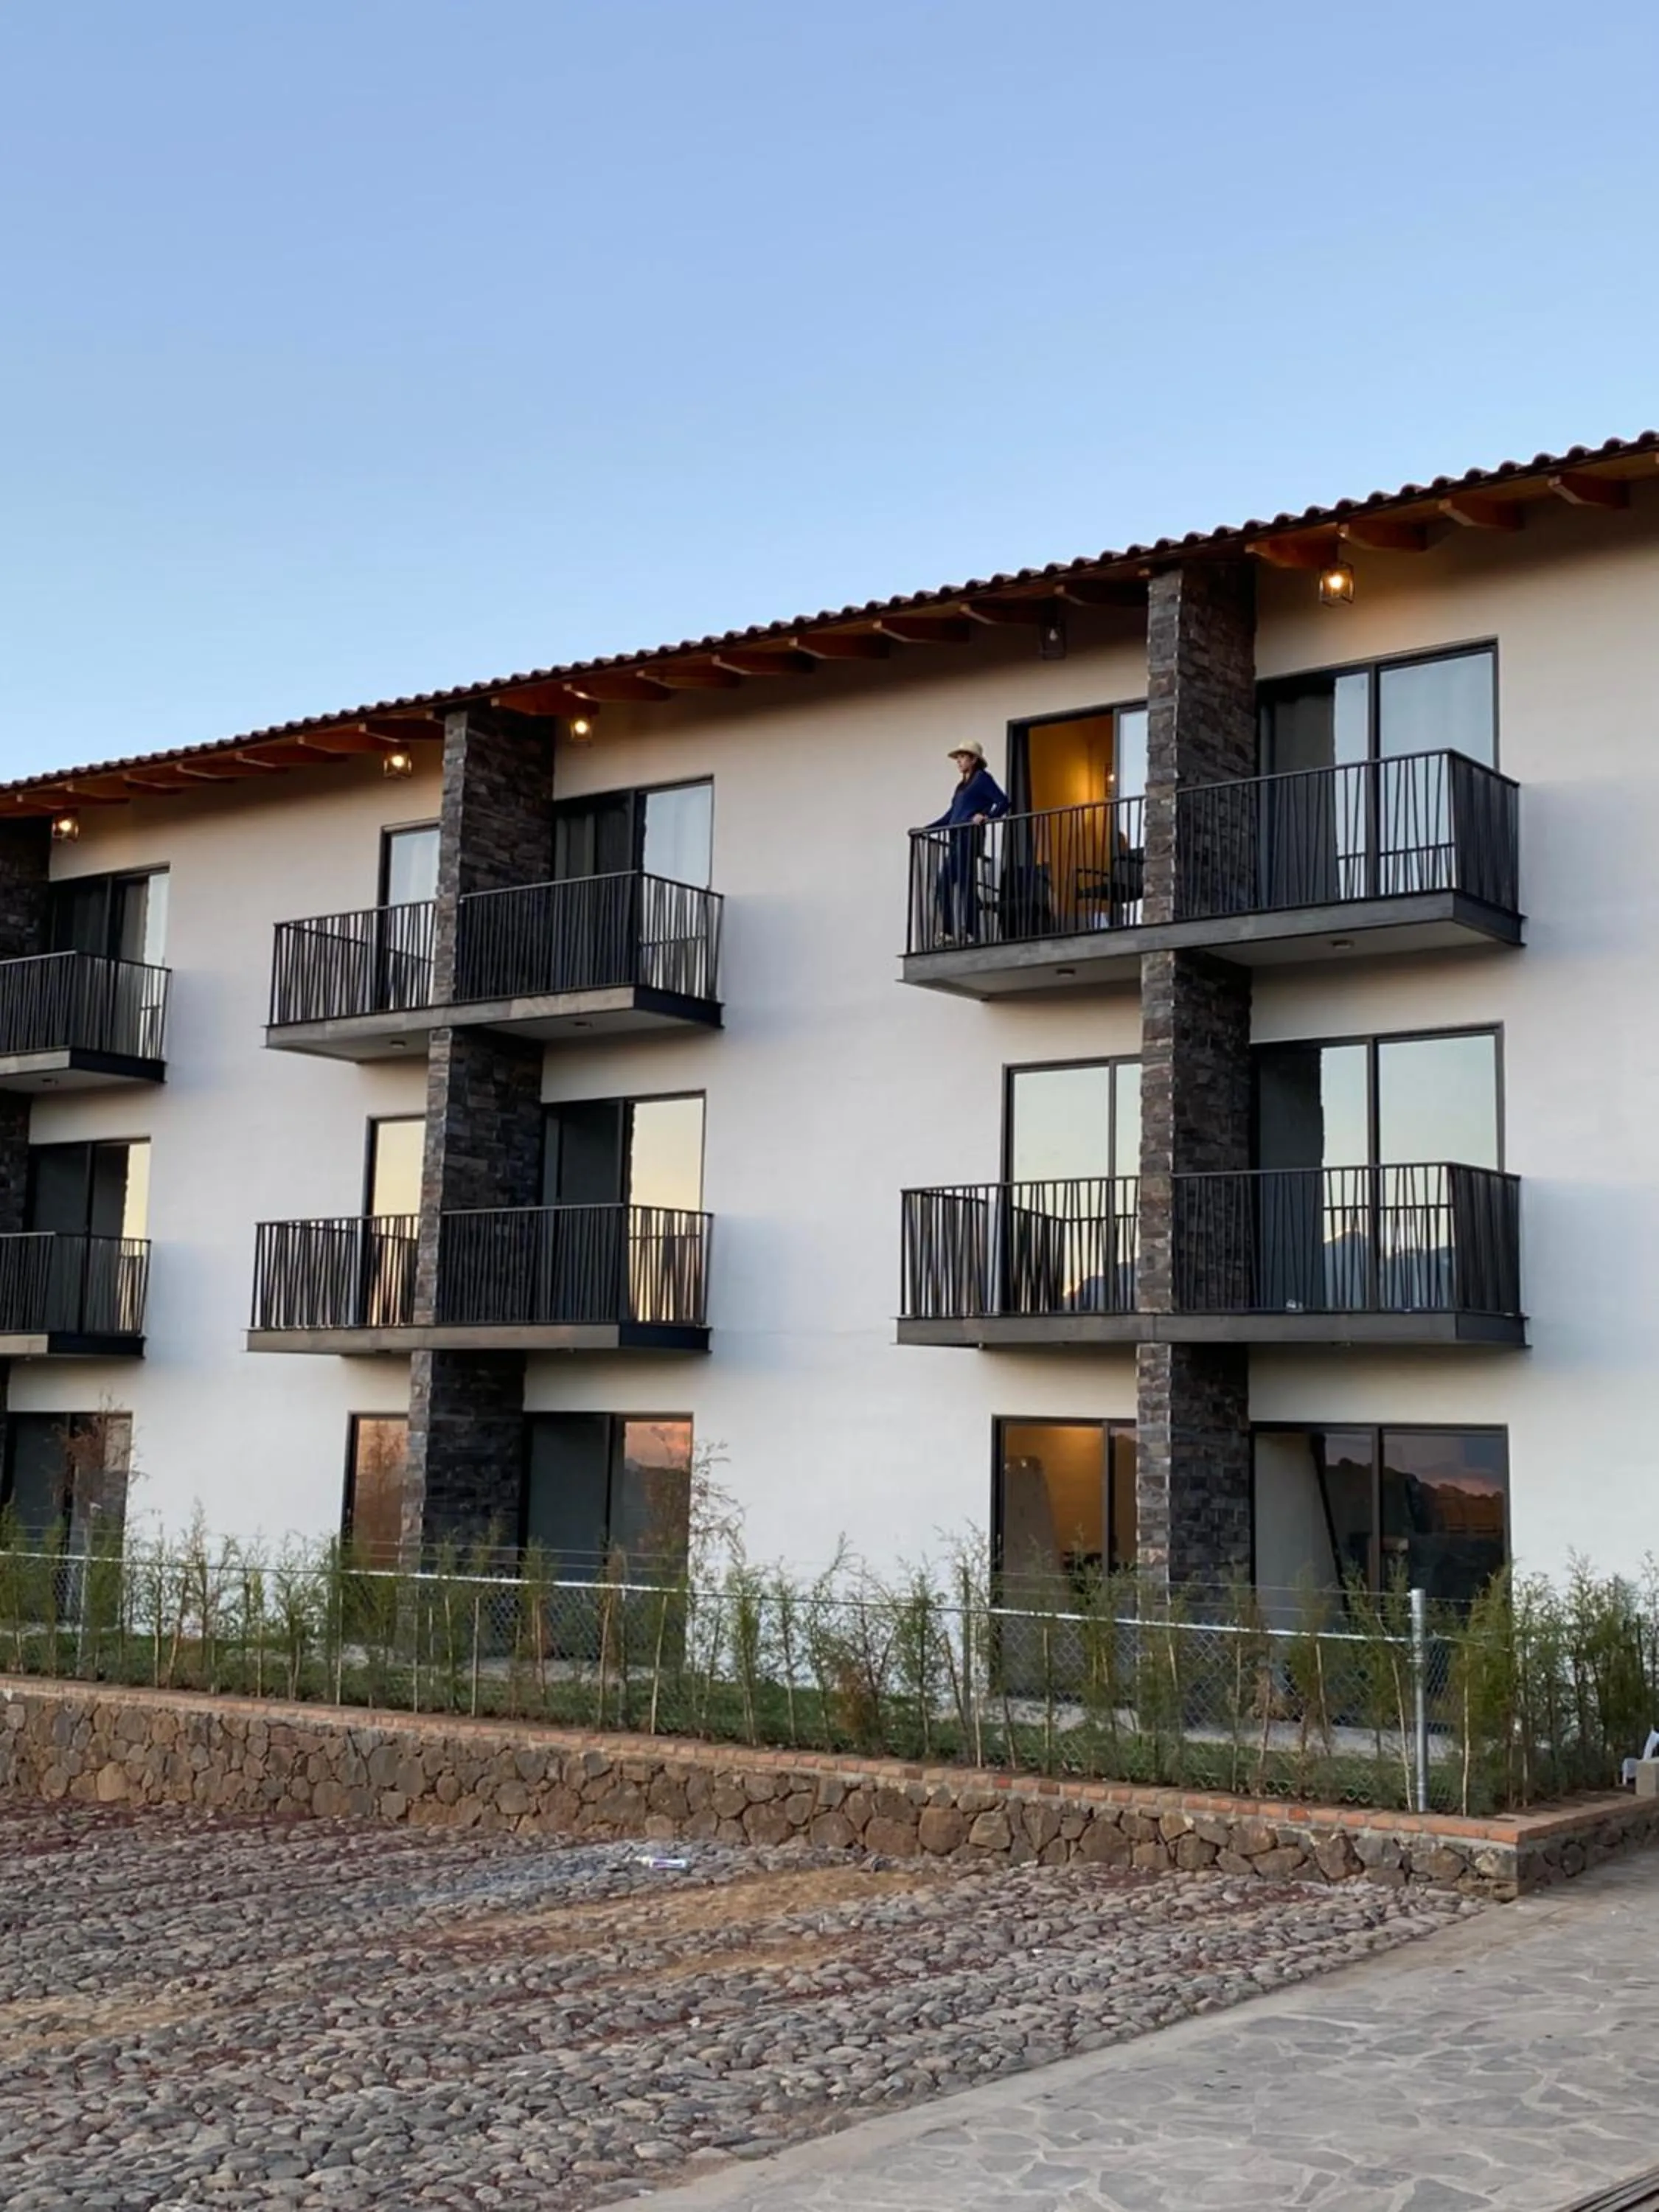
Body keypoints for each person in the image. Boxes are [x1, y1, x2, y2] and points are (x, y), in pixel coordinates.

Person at [925, 740, 1009, 942]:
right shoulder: (961, 786)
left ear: (974, 760)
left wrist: (987, 817)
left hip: (969, 838)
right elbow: (951, 815)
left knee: (959, 884)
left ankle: (962, 932)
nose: (959, 761)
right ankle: (958, 932)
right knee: (954, 884)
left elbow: (1003, 801)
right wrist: (927, 830)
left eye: (963, 757)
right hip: (957, 838)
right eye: (958, 758)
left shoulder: (982, 779)